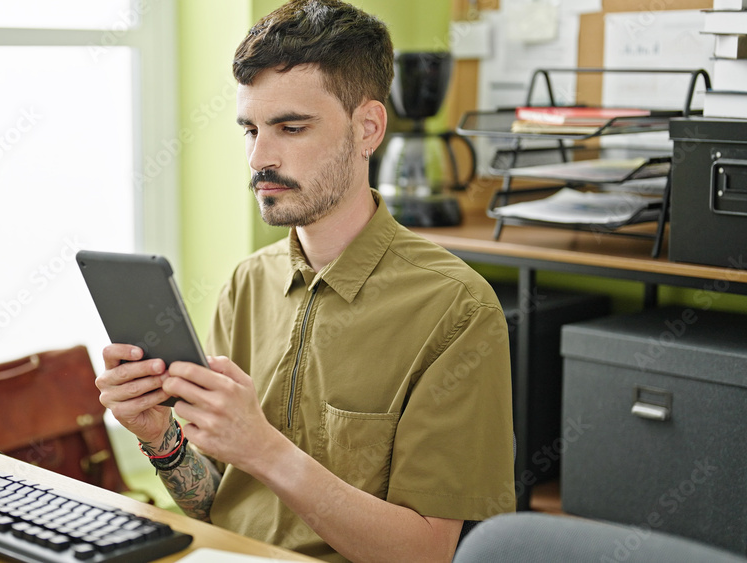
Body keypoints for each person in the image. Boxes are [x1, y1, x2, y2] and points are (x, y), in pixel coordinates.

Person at [96, 1, 515, 561]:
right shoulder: (247, 284)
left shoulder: (457, 309)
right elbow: (214, 501)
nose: (259, 158)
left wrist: (265, 450)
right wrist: (159, 438)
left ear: (367, 127)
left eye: (290, 128)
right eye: (250, 130)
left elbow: (425, 554)